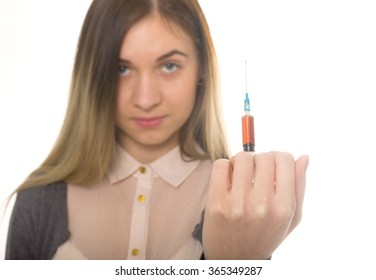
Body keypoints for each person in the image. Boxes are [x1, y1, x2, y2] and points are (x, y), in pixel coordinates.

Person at [5, 0, 309, 260]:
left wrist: (241, 263)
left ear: (202, 68)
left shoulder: (240, 206)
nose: (146, 99)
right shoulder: (40, 201)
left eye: (169, 66)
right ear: (93, 74)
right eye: (121, 69)